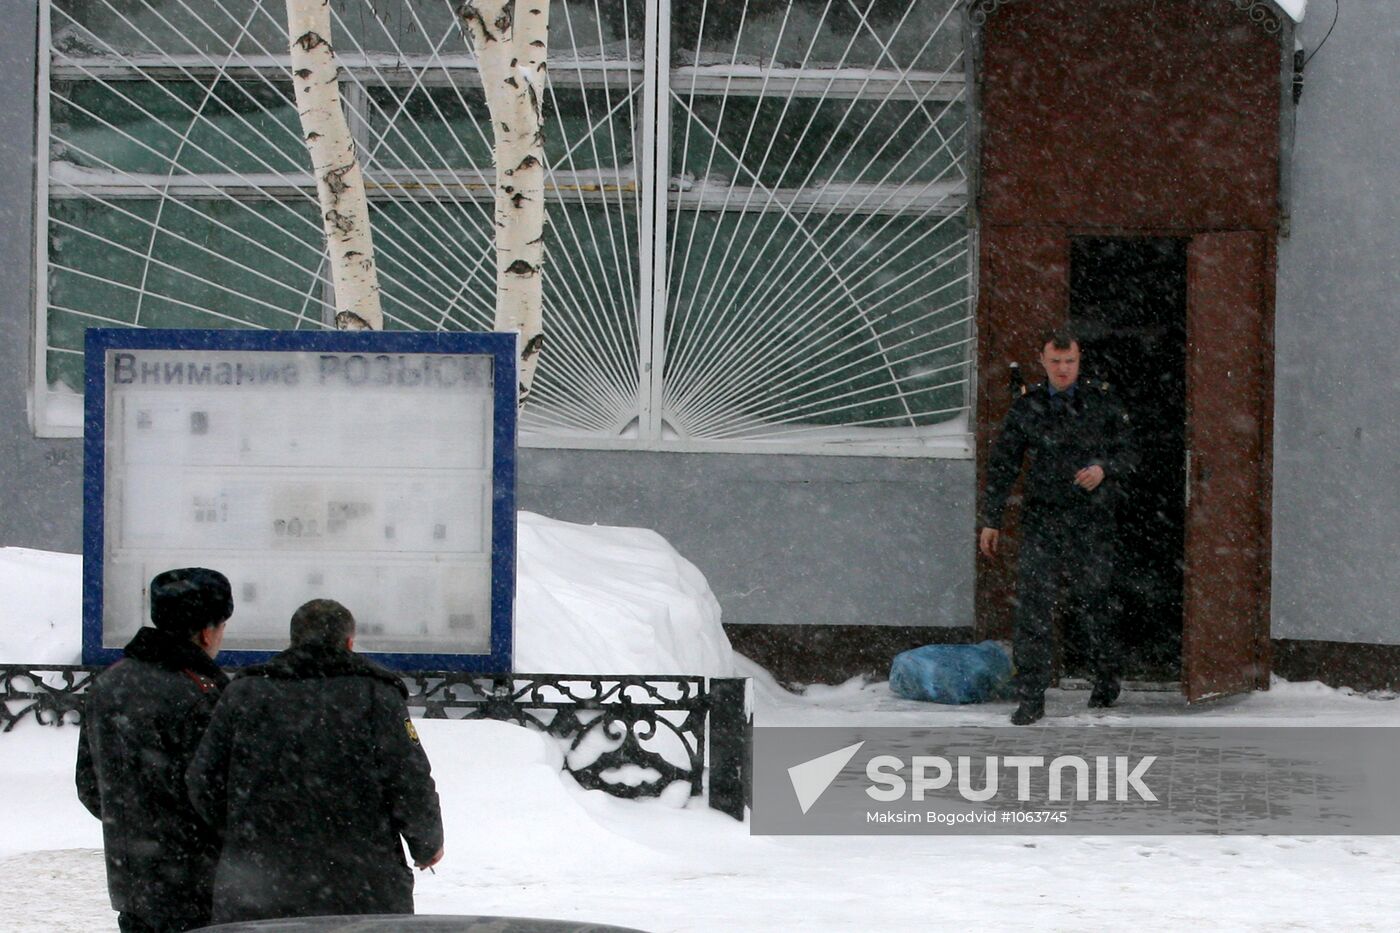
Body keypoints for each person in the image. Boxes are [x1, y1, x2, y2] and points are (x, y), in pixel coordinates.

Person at [188, 598, 444, 923]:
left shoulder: (244, 693)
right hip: (362, 884)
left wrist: (244, 834)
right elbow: (409, 780)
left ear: (293, 641)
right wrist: (426, 844)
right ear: (349, 643)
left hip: (260, 883)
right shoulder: (376, 696)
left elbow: (203, 779)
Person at [979, 328, 1134, 725]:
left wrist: (1105, 469)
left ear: (1079, 362)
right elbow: (1003, 464)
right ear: (1043, 362)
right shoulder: (1028, 407)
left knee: (1096, 600)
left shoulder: (1100, 401)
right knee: (1033, 606)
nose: (1063, 369)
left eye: (1070, 362)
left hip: (1092, 517)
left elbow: (1130, 451)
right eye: (1055, 362)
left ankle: (1106, 677)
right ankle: (1031, 695)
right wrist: (991, 519)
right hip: (1044, 519)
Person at [76, 567, 234, 933]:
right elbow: (219, 793)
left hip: (133, 885)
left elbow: (89, 784)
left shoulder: (109, 684)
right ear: (207, 632)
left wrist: (137, 829)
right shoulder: (203, 694)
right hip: (199, 889)